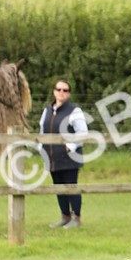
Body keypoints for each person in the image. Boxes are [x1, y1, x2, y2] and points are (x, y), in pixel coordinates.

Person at [40, 78, 88, 227]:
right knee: (58, 187)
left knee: (71, 186)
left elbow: (83, 132)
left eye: (65, 90)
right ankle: (65, 216)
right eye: (59, 89)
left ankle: (76, 218)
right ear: (54, 91)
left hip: (69, 157)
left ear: (69, 93)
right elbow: (42, 131)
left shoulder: (75, 111)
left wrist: (71, 146)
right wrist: (41, 148)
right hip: (52, 157)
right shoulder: (47, 110)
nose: (61, 92)